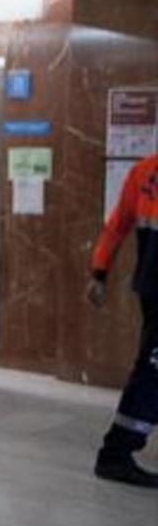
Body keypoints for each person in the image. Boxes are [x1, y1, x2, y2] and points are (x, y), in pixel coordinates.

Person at [85, 152, 158, 488]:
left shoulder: (144, 171)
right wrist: (97, 274)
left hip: (151, 285)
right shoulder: (144, 171)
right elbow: (118, 224)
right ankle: (115, 453)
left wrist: (100, 272)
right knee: (152, 370)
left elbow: (116, 226)